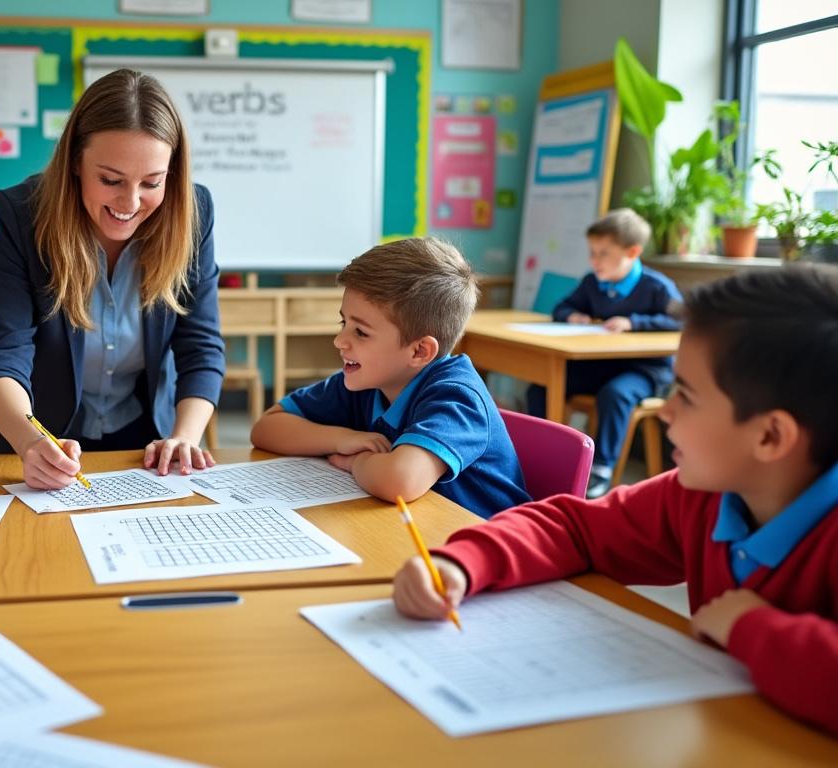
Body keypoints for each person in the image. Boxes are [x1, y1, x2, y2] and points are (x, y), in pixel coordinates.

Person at [394, 264, 838, 734]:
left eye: (685, 396)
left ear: (770, 436)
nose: (665, 411)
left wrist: (752, 628)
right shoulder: (703, 494)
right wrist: (463, 563)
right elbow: (576, 528)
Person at [0, 68, 226, 490]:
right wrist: (30, 441)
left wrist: (183, 437)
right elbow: (3, 353)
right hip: (35, 442)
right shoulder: (23, 215)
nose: (130, 203)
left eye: (151, 183)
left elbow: (200, 345)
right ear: (75, 160)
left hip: (145, 441)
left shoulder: (193, 213)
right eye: (110, 180)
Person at [251, 238, 529, 518]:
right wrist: (340, 438)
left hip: (489, 547)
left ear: (420, 351)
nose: (339, 341)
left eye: (360, 332)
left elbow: (400, 480)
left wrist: (356, 461)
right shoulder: (364, 382)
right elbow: (266, 428)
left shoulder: (457, 396)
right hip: (422, 532)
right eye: (343, 323)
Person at [526, 208, 682, 497]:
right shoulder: (592, 282)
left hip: (645, 371)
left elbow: (681, 319)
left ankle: (601, 469)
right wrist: (573, 316)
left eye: (603, 254)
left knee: (616, 393)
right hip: (600, 365)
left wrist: (635, 322)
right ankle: (547, 455)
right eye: (592, 252)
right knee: (541, 387)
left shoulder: (656, 287)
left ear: (632, 252)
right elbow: (562, 307)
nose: (594, 261)